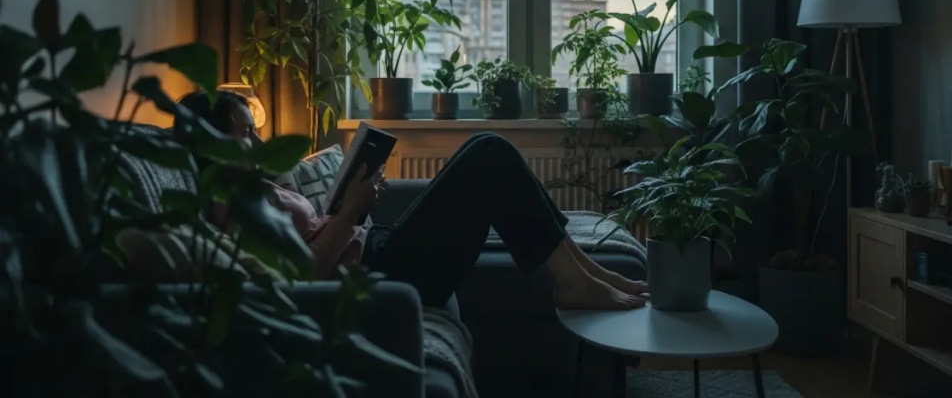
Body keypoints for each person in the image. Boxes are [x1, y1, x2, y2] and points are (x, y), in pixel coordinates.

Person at [177, 91, 647, 310]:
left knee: (484, 150)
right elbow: (301, 274)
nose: (258, 142)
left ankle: (585, 270)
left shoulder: (253, 186)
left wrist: (349, 201)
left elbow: (311, 234)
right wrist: (352, 211)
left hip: (380, 248)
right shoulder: (229, 206)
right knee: (489, 152)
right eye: (245, 133)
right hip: (386, 272)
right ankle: (574, 281)